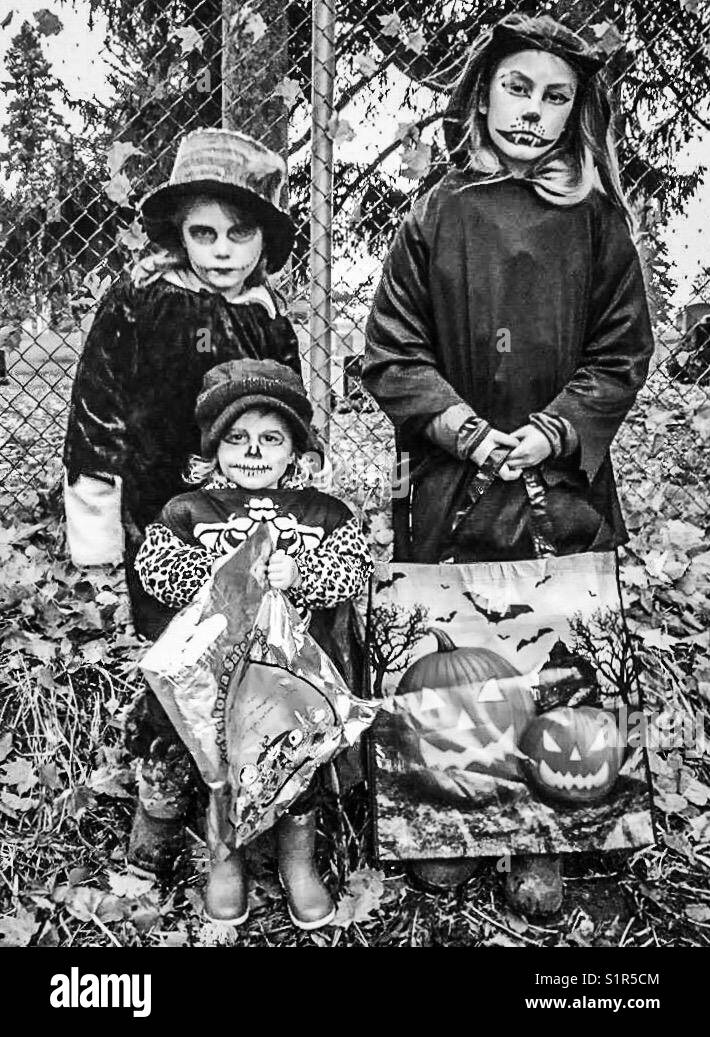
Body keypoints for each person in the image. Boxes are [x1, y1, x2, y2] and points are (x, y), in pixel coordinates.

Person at [362, 13, 654, 914]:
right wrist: (456, 425)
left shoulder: (599, 222)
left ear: (577, 113)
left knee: (555, 646)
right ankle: (456, 818)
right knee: (455, 652)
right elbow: (391, 351)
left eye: (556, 97)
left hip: (557, 480)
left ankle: (544, 831)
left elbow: (620, 353)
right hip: (454, 473)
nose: (533, 111)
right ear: (483, 94)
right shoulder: (434, 213)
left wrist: (558, 430)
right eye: (518, 89)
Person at [62, 128, 316, 879]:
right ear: (177, 232)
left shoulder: (269, 315)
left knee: (246, 661)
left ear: (264, 237)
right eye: (203, 232)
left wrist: (294, 512)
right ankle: (160, 806)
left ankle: (244, 811)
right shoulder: (140, 302)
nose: (222, 249)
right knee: (174, 664)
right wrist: (101, 540)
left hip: (247, 527)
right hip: (158, 525)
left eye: (240, 232)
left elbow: (292, 423)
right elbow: (95, 414)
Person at [134, 358, 373, 929]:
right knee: (220, 765)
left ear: (296, 450)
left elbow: (355, 569)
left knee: (295, 760)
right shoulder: (188, 512)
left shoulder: (324, 513)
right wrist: (219, 571)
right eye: (237, 438)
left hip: (291, 683)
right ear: (213, 449)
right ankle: (226, 859)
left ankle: (299, 863)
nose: (254, 451)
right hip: (214, 681)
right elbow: (153, 568)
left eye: (272, 439)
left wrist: (305, 573)